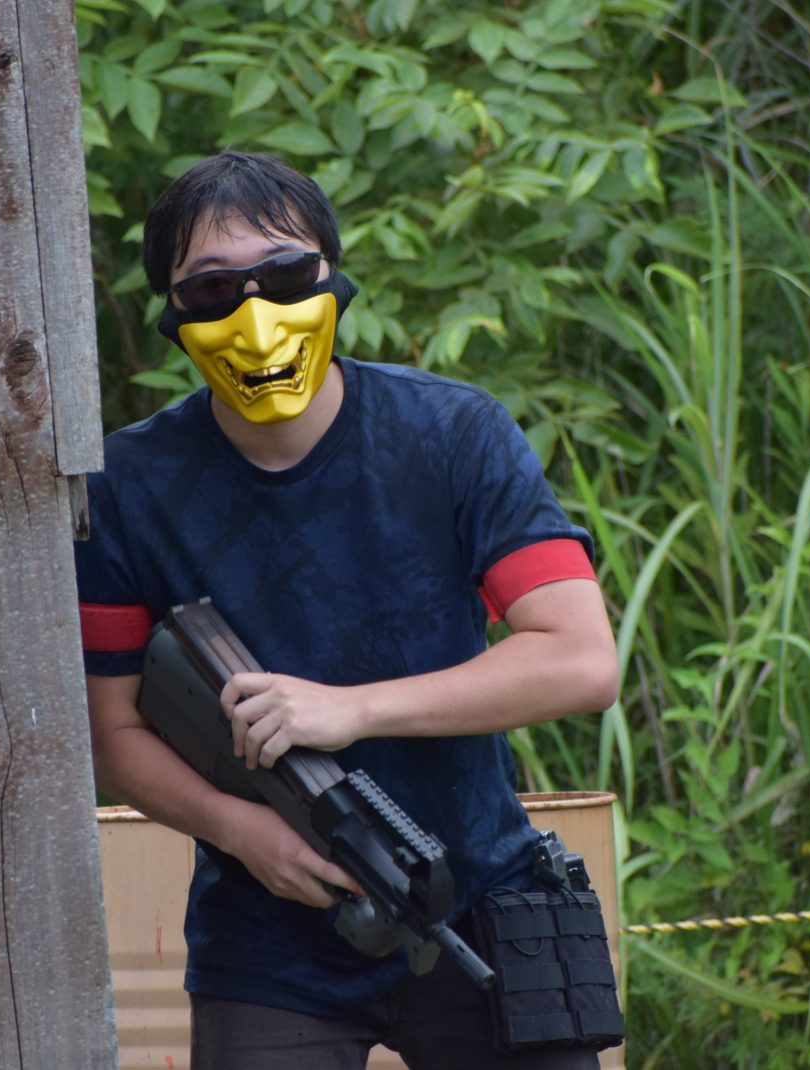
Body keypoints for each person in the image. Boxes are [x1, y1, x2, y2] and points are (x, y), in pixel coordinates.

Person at [75, 150, 620, 1070]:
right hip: (266, 939)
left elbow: (581, 660)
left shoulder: (454, 433)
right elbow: (112, 732)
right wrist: (242, 832)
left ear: (332, 275)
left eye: (286, 274)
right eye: (212, 288)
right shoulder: (126, 486)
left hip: (480, 902)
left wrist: (348, 708)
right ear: (172, 310)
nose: (254, 313)